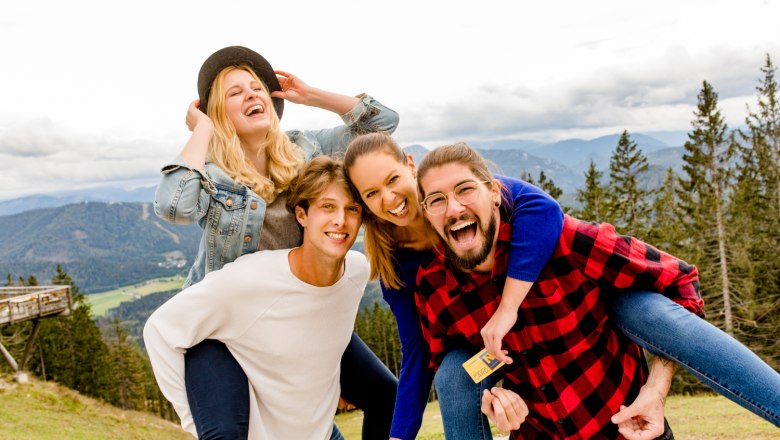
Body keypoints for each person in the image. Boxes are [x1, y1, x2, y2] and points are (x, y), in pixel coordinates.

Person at [414, 142, 780, 438]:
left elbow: (681, 282)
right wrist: (490, 397)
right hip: (537, 432)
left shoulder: (567, 243)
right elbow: (457, 369)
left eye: (465, 190)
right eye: (437, 200)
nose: (455, 208)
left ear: (495, 192)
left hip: (631, 429)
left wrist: (656, 389)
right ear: (427, 212)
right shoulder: (435, 286)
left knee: (645, 307)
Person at [153, 46, 397, 439]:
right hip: (226, 323)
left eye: (257, 87)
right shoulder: (212, 175)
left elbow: (381, 126)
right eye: (235, 93)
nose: (252, 94)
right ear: (218, 112)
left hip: (296, 312)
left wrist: (312, 95)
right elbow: (173, 206)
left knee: (385, 394)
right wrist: (202, 130)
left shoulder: (306, 150)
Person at [344, 132, 565, 439]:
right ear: (364, 203)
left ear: (410, 165)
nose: (389, 198)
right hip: (486, 349)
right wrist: (399, 435)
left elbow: (544, 209)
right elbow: (416, 351)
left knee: (642, 311)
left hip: (550, 312)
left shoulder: (454, 195)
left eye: (392, 179)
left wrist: (507, 308)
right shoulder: (395, 266)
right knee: (453, 376)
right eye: (371, 194)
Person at [146, 156, 367, 439]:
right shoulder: (251, 280)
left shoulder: (358, 271)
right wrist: (196, 423)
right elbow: (160, 330)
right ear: (302, 215)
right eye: (327, 207)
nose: (341, 220)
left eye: (352, 209)